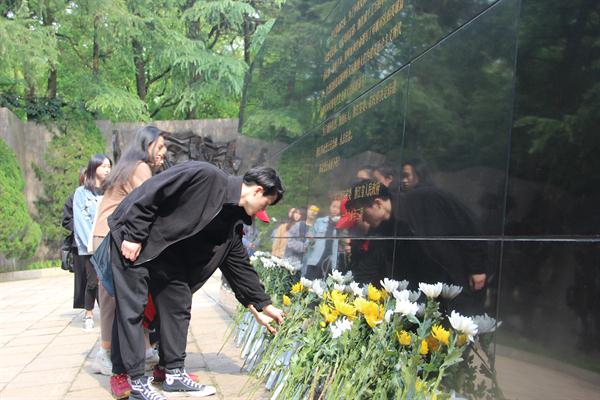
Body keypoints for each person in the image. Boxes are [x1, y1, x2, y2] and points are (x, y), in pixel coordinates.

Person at [108, 162, 286, 400]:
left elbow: (239, 264)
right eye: (266, 204)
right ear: (258, 191)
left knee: (178, 299)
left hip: (165, 253)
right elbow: (153, 191)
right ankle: (136, 382)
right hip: (133, 239)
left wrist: (263, 304)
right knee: (133, 308)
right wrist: (133, 235)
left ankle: (173, 373)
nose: (263, 210)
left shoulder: (231, 218)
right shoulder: (206, 176)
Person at [90, 126, 168, 398]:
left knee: (121, 299)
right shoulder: (140, 168)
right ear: (146, 145)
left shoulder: (129, 166)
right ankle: (107, 355)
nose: (163, 153)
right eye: (160, 147)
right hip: (113, 237)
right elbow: (150, 206)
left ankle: (137, 350)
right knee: (119, 301)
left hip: (105, 234)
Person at [73, 154, 112, 330]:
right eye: (103, 166)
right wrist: (93, 245)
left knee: (108, 282)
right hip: (90, 246)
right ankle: (89, 313)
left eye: (109, 166)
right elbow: (80, 223)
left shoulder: (111, 191)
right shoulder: (81, 193)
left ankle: (108, 315)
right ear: (94, 168)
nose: (107, 170)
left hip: (110, 243)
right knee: (92, 281)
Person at [303, 198, 341, 279]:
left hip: (330, 264)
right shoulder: (319, 221)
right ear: (330, 207)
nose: (335, 209)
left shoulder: (341, 226)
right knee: (308, 283)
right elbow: (308, 241)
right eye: (334, 206)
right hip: (315, 261)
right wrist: (311, 240)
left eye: (338, 208)